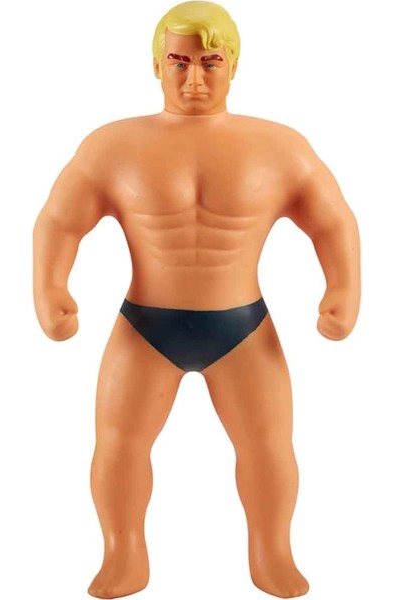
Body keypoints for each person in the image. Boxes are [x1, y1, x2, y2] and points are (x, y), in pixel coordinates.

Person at [33, 1, 361, 598]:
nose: (193, 80)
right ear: (155, 64)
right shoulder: (112, 146)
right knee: (119, 444)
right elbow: (59, 221)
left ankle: (272, 552)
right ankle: (123, 554)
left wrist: (342, 288)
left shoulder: (279, 146)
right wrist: (52, 287)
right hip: (144, 327)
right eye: (178, 62)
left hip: (243, 329)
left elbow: (333, 221)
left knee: (267, 446)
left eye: (210, 63)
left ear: (234, 65)